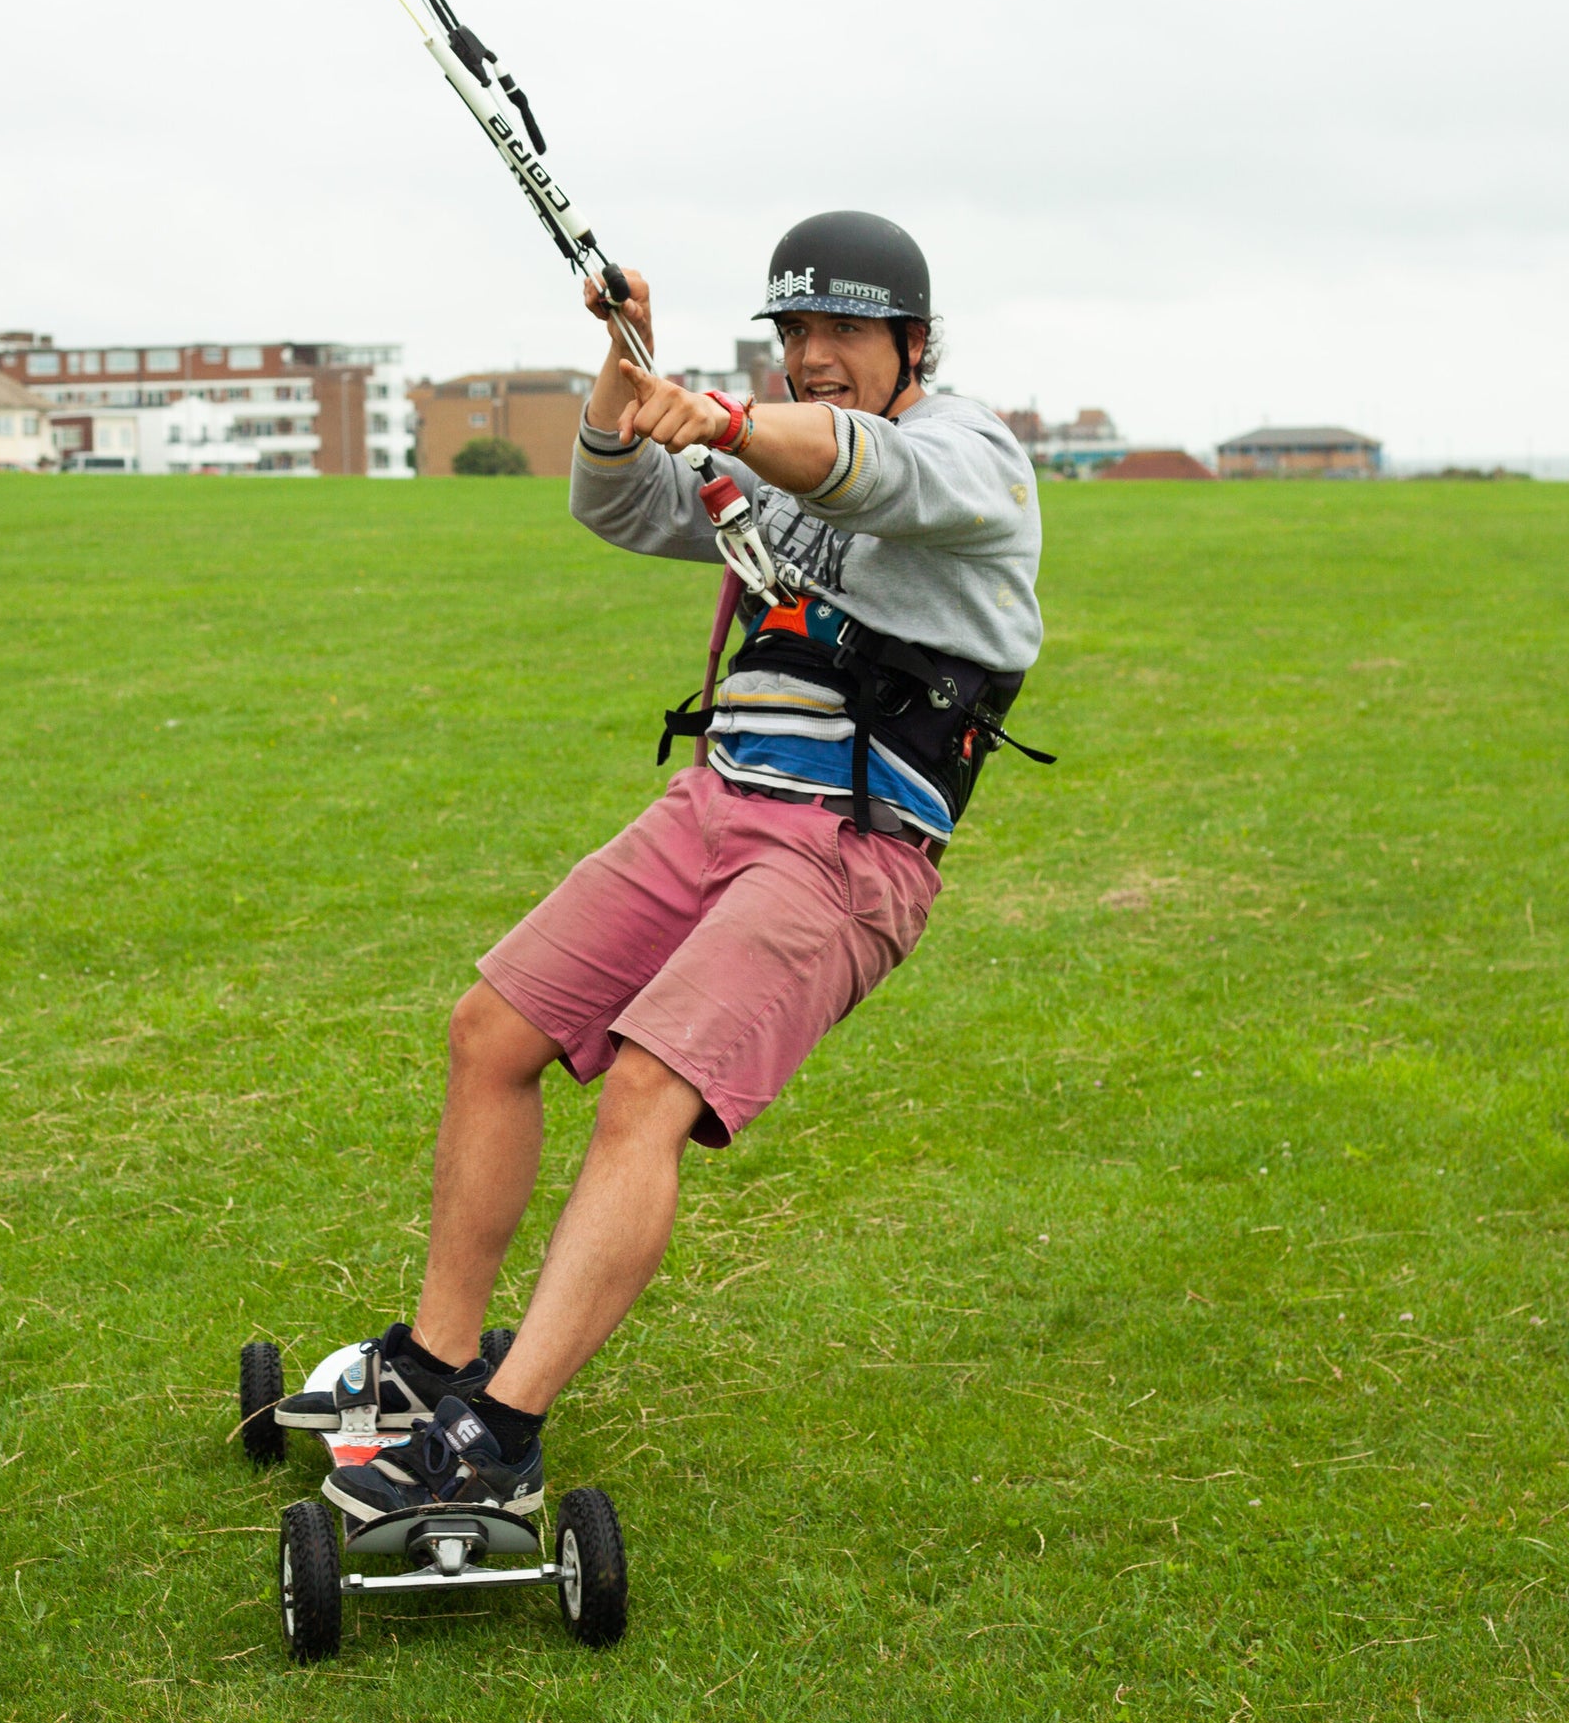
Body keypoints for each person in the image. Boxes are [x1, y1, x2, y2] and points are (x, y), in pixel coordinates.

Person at [279, 211, 1045, 1519]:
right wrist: (628, 376)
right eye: (794, 332)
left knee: (648, 1087)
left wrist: (731, 420)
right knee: (492, 1028)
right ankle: (435, 1364)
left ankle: (498, 1439)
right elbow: (621, 503)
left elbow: (862, 466)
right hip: (714, 808)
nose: (812, 356)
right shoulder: (786, 464)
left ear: (913, 343)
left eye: (842, 332)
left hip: (849, 853)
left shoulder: (969, 456)